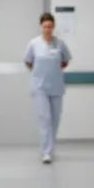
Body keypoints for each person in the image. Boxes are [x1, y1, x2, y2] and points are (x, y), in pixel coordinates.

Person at [24, 11, 72, 164]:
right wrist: (40, 73)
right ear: (41, 27)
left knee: (55, 119)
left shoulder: (60, 43)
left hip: (56, 86)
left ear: (54, 27)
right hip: (39, 87)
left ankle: (50, 148)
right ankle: (46, 152)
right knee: (45, 119)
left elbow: (65, 61)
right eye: (45, 26)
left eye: (50, 26)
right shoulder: (33, 43)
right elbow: (28, 62)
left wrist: (53, 71)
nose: (47, 29)